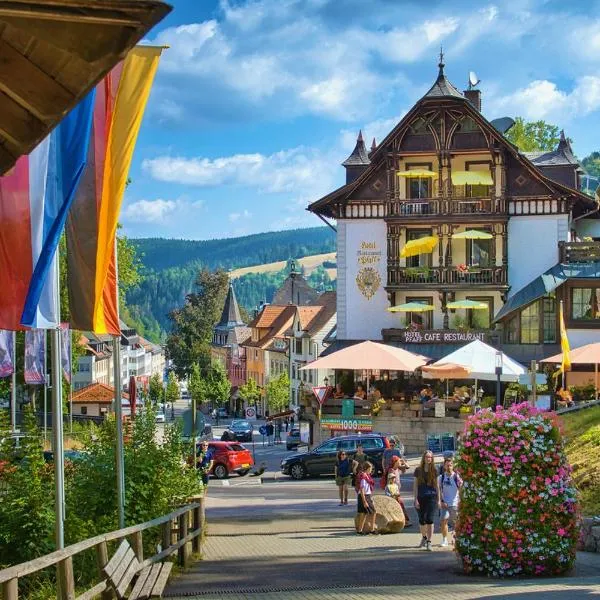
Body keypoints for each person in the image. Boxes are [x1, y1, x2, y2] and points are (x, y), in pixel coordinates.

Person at [413, 450, 438, 551]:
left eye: (430, 457)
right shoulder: (418, 470)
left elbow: (437, 486)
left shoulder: (435, 471)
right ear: (424, 458)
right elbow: (415, 486)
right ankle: (424, 537)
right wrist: (415, 499)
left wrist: (439, 500)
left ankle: (429, 542)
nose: (429, 459)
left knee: (430, 519)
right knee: (422, 520)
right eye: (427, 457)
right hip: (421, 497)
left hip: (431, 497)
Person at [437, 455, 463, 547]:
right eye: (447, 465)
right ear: (444, 466)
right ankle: (444, 540)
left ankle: (456, 539)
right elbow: (439, 490)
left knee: (456, 522)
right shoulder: (441, 477)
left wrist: (460, 501)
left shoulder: (456, 477)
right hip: (445, 504)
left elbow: (461, 489)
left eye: (450, 465)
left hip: (454, 503)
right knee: (444, 521)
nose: (449, 467)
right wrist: (440, 501)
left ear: (453, 466)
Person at [387, 455, 413, 527]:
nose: (399, 462)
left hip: (397, 492)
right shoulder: (391, 470)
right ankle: (404, 521)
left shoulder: (397, 469)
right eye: (398, 461)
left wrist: (403, 461)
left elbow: (407, 467)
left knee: (399, 506)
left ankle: (402, 521)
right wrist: (392, 494)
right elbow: (389, 483)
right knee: (400, 506)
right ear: (395, 462)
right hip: (394, 493)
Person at [355, 462, 376, 534]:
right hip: (363, 496)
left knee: (364, 513)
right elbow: (362, 489)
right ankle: (372, 529)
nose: (371, 470)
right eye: (370, 468)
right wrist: (364, 501)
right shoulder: (363, 476)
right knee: (372, 512)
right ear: (366, 469)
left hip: (367, 496)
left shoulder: (367, 475)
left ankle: (360, 530)